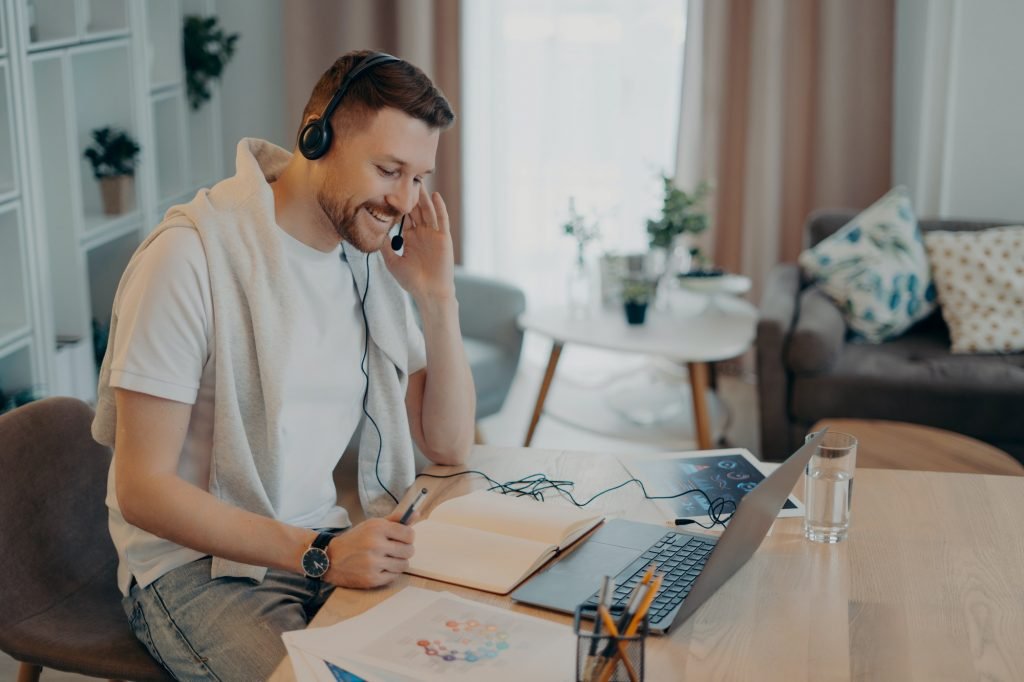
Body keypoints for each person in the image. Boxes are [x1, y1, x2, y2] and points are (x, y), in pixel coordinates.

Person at [91, 50, 476, 679]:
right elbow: (142, 490)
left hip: (319, 542)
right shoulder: (190, 259)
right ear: (316, 137)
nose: (404, 200)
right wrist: (319, 552)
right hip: (196, 571)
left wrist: (437, 298)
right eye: (388, 169)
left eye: (418, 177)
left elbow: (449, 443)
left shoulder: (363, 260)